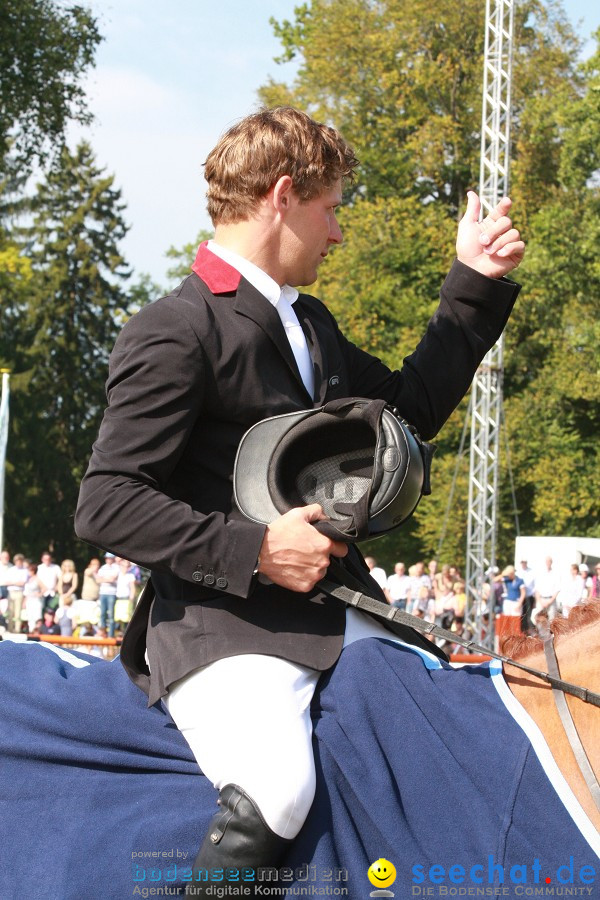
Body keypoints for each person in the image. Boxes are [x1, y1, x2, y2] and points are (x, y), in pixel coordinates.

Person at [75, 107, 524, 892]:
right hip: (222, 627)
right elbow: (106, 502)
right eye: (332, 208)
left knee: (443, 728)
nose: (339, 232)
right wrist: (257, 551)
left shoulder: (307, 321)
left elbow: (406, 412)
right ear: (283, 195)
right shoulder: (176, 327)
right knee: (278, 792)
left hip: (337, 609)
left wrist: (473, 285)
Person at [96, 552, 119, 637]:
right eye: (107, 558)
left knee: (111, 615)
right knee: (102, 614)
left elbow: (112, 579)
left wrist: (103, 579)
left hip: (111, 593)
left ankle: (111, 635)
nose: (108, 560)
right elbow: (98, 580)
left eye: (109, 558)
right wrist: (107, 579)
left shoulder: (116, 567)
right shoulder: (103, 568)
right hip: (103, 593)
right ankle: (102, 633)